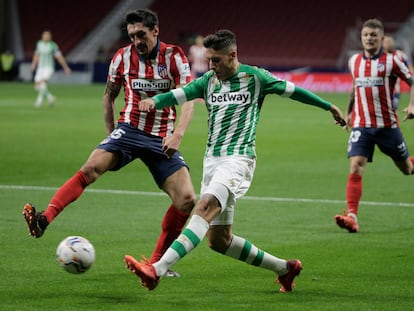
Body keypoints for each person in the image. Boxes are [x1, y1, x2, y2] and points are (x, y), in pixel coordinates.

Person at [124, 29, 347, 292]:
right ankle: (286, 269)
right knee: (219, 241)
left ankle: (156, 269)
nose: (211, 65)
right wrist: (155, 101)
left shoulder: (255, 77)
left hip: (238, 160)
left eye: (216, 60)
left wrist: (327, 106)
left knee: (204, 207)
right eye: (209, 60)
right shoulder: (208, 81)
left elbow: (294, 91)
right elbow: (181, 94)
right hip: (212, 162)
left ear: (233, 55)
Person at [22, 9, 197, 275]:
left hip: (162, 137)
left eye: (141, 34)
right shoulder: (122, 58)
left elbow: (189, 98)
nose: (136, 40)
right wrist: (110, 132)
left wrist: (178, 134)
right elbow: (109, 96)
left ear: (155, 30)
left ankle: (157, 264)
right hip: (129, 129)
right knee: (91, 168)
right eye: (131, 36)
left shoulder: (174, 56)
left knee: (186, 199)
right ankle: (44, 219)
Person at [334, 19, 414, 233]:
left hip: (388, 126)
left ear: (381, 38)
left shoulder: (392, 61)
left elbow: (412, 81)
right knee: (356, 165)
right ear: (361, 37)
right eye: (365, 35)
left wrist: (412, 105)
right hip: (362, 125)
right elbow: (355, 86)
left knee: (407, 169)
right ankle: (352, 217)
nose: (369, 38)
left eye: (373, 35)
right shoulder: (354, 61)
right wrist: (349, 111)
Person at [31, 30, 72, 107]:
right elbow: (36, 55)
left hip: (48, 67)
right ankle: (50, 97)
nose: (46, 37)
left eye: (47, 36)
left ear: (50, 37)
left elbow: (59, 57)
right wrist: (34, 64)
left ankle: (38, 102)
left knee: (43, 83)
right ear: (42, 36)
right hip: (40, 67)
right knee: (36, 86)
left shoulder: (53, 45)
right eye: (44, 35)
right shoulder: (39, 44)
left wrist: (65, 67)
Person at [382, 34, 414, 110]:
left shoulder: (401, 54)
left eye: (390, 41)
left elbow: (410, 67)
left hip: (396, 89)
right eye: (386, 42)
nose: (389, 43)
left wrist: (411, 74)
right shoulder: (380, 56)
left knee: (393, 109)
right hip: (381, 90)